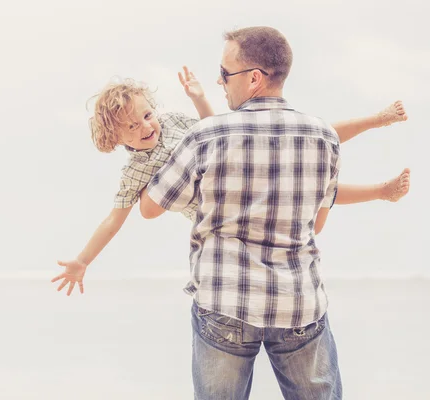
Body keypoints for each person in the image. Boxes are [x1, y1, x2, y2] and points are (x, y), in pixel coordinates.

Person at [139, 26, 402, 399]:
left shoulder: (207, 135)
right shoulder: (325, 137)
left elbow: (150, 208)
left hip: (224, 299)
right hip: (298, 303)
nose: (220, 81)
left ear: (254, 79)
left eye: (225, 73)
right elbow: (319, 222)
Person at [52, 67, 409, 297]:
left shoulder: (174, 121)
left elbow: (215, 128)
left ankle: (377, 139)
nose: (146, 127)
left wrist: (199, 98)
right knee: (314, 192)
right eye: (132, 127)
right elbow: (113, 222)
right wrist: (83, 260)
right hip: (228, 215)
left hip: (241, 174)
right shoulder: (135, 174)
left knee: (303, 141)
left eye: (147, 115)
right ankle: (378, 191)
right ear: (115, 139)